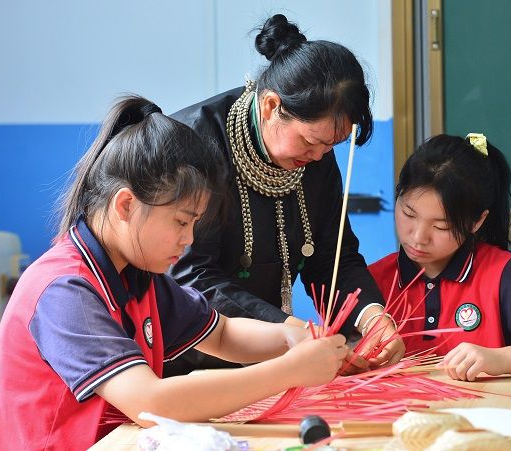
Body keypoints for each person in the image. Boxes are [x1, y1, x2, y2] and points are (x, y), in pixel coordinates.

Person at [0, 96, 347, 451]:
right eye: (181, 221)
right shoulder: (65, 290)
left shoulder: (135, 273)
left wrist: (291, 336)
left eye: (194, 224)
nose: (188, 239)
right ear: (126, 205)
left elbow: (221, 334)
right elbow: (152, 404)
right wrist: (289, 371)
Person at [167, 13, 403, 375]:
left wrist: (373, 317)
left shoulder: (316, 157)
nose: (320, 157)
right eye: (311, 141)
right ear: (271, 106)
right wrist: (294, 332)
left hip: (271, 360)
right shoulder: (194, 144)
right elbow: (192, 276)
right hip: (184, 363)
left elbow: (331, 256)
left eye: (332, 146)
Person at [368, 134, 511, 381]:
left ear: (477, 221)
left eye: (441, 226)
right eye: (408, 213)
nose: (418, 237)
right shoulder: (370, 283)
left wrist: (502, 359)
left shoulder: (509, 276)